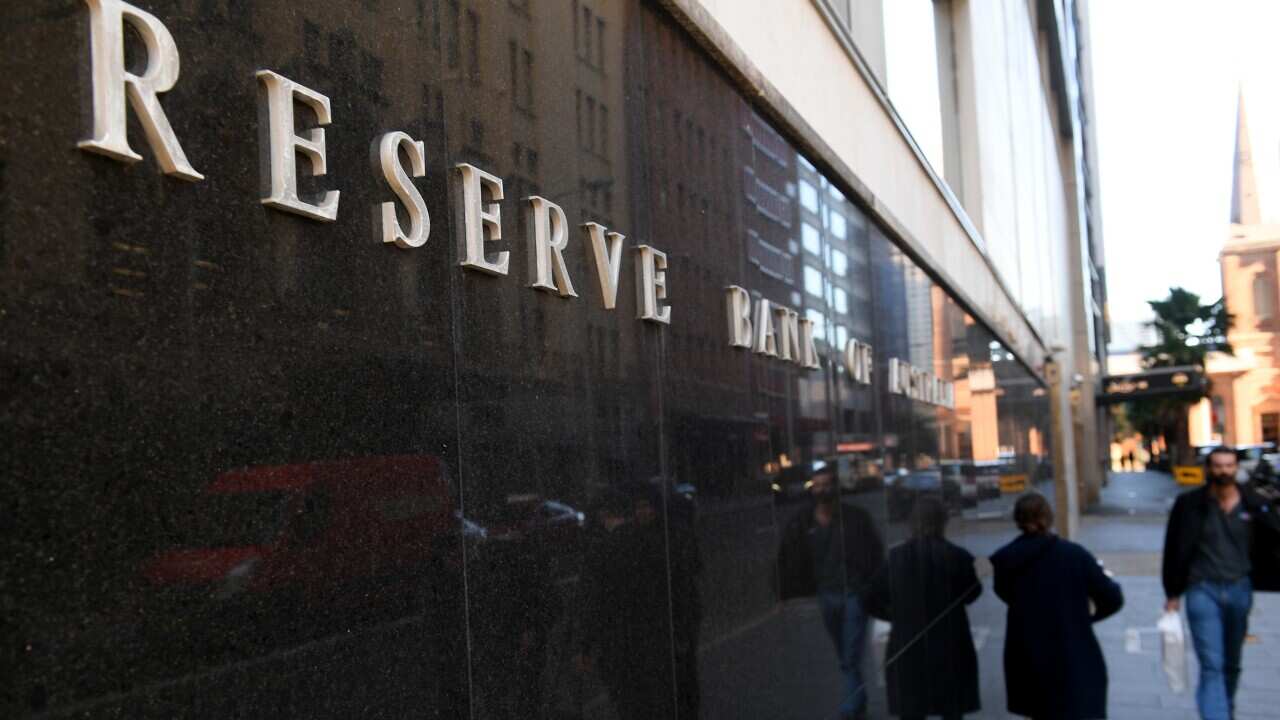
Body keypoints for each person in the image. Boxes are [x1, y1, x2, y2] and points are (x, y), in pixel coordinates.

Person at [1162, 446, 1280, 720]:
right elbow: (1174, 548)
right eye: (1217, 466)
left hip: (1240, 589)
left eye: (1228, 466)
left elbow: (1273, 537)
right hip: (1202, 590)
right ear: (1208, 469)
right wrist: (1172, 593)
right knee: (1211, 664)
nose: (1223, 471)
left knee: (1231, 663)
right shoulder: (1189, 505)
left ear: (1236, 468)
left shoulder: (1253, 503)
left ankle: (1225, 708)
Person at [991, 493, 1123, 720]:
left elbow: (1005, 594)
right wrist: (1087, 617)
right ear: (1048, 517)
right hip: (1073, 654)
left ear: (1018, 520)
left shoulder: (1005, 560)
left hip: (1029, 657)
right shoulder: (1074, 555)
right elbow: (1112, 597)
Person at [777, 469, 885, 720]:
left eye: (826, 485)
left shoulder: (855, 518)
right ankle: (859, 699)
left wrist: (873, 586)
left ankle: (851, 707)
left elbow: (874, 552)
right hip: (827, 595)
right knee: (844, 653)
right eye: (817, 485)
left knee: (849, 655)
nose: (821, 490)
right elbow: (789, 558)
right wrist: (786, 593)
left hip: (855, 594)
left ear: (835, 487)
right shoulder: (803, 522)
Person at [868, 496, 981, 720]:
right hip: (950, 644)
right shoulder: (957, 556)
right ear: (942, 522)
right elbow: (972, 593)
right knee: (951, 708)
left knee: (912, 708)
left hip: (908, 644)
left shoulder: (896, 558)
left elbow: (870, 598)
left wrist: (895, 616)